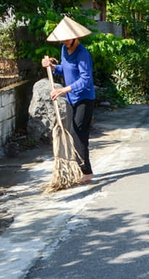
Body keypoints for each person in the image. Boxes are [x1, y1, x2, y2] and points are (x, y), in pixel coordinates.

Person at [41, 16, 96, 184]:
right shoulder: (65, 50)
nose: (64, 41)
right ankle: (80, 169)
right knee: (73, 133)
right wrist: (51, 66)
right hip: (71, 98)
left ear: (75, 37)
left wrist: (63, 90)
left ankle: (86, 171)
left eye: (67, 38)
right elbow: (64, 70)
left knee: (78, 133)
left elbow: (85, 79)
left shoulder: (82, 53)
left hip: (85, 98)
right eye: (62, 39)